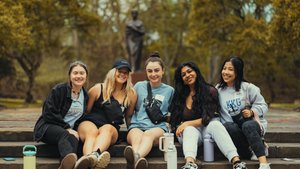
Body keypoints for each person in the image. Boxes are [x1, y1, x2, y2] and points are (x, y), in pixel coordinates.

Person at [169, 62, 248, 169]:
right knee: (189, 129)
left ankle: (236, 162)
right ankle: (190, 164)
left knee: (215, 124)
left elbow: (207, 118)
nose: (187, 75)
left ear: (196, 72)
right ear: (181, 79)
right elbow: (175, 118)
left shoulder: (210, 91)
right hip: (189, 135)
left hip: (207, 130)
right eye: (183, 75)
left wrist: (187, 123)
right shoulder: (179, 95)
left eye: (189, 71)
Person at [76, 59, 137, 169]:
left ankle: (93, 155)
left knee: (107, 128)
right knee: (92, 131)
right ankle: (90, 160)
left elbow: (128, 116)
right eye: (120, 71)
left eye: (125, 73)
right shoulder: (97, 89)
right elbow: (86, 111)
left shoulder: (131, 94)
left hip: (111, 128)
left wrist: (132, 132)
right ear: (113, 72)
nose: (123, 74)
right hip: (90, 122)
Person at [216, 56, 270, 169]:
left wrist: (252, 112)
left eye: (230, 69)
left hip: (251, 125)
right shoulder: (218, 90)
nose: (226, 72)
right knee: (229, 126)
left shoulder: (248, 88)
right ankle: (252, 149)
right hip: (234, 131)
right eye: (224, 68)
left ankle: (264, 164)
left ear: (238, 71)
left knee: (248, 125)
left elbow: (263, 106)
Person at [33, 61, 89, 169]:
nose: (78, 76)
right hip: (47, 127)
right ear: (70, 76)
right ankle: (69, 163)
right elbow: (48, 113)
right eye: (75, 73)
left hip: (69, 132)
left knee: (74, 139)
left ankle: (65, 166)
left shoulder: (85, 96)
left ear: (86, 76)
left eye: (82, 73)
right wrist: (67, 127)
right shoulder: (59, 90)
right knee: (65, 135)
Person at [124, 52, 174, 169]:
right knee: (137, 138)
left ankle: (135, 159)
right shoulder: (139, 86)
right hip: (137, 125)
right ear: (146, 72)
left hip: (157, 128)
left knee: (147, 135)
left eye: (156, 70)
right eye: (150, 71)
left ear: (163, 71)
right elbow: (129, 112)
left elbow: (173, 114)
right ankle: (137, 161)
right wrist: (130, 125)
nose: (153, 74)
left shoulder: (170, 91)